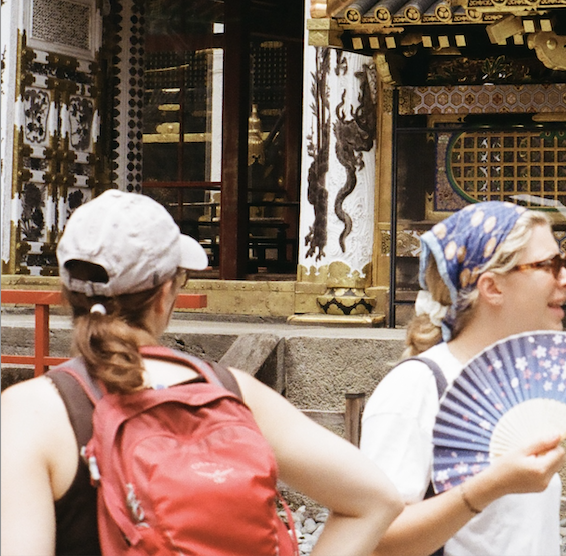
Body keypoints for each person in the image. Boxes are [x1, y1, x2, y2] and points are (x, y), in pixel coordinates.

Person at [0, 190, 402, 556]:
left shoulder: (31, 412)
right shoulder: (231, 390)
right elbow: (376, 500)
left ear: (67, 290)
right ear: (165, 294)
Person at [360, 201, 566, 556]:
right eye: (547, 266)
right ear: (492, 287)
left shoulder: (519, 384)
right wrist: (488, 487)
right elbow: (374, 540)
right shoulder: (417, 388)